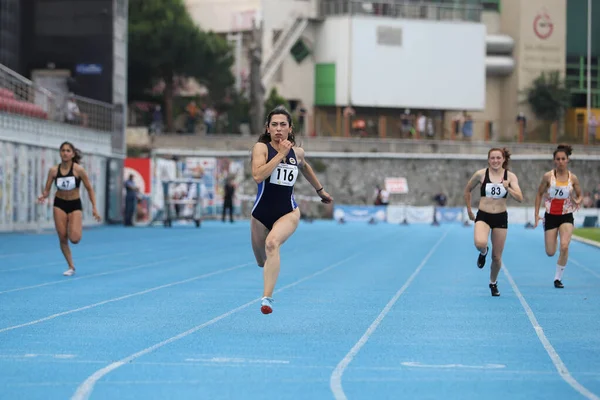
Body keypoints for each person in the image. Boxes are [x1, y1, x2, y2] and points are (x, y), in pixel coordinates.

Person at [250, 106, 333, 314]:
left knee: (272, 244)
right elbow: (258, 176)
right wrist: (280, 155)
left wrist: (320, 190)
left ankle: (267, 299)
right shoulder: (261, 148)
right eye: (274, 125)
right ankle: (267, 272)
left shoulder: (298, 153)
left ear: (290, 128)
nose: (279, 129)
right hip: (260, 214)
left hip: (288, 211)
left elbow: (304, 167)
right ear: (268, 129)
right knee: (261, 261)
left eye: (283, 125)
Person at [464, 148, 523, 296]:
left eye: (498, 158)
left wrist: (508, 188)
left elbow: (520, 198)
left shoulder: (510, 176)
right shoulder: (481, 174)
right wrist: (470, 210)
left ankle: (493, 282)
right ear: (488, 159)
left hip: (500, 217)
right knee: (480, 243)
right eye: (492, 158)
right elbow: (467, 190)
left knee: (497, 257)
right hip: (483, 215)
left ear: (503, 159)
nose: (495, 161)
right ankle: (483, 252)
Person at [38, 142, 101, 276]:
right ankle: (71, 266)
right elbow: (47, 190)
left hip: (74, 204)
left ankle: (73, 225)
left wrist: (94, 208)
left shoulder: (79, 170)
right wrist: (43, 196)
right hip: (59, 204)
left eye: (68, 151)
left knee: (75, 239)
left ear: (72, 154)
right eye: (63, 150)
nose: (65, 153)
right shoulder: (54, 170)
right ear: (60, 153)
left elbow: (89, 189)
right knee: (62, 237)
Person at [533, 144, 583, 289]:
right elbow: (539, 194)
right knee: (550, 252)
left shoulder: (572, 178)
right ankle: (548, 231)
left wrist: (577, 201)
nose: (561, 161)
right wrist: (536, 215)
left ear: (568, 160)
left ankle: (558, 278)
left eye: (563, 159)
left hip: (566, 215)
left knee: (565, 246)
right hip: (551, 216)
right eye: (558, 159)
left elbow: (579, 195)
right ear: (554, 160)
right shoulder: (548, 177)